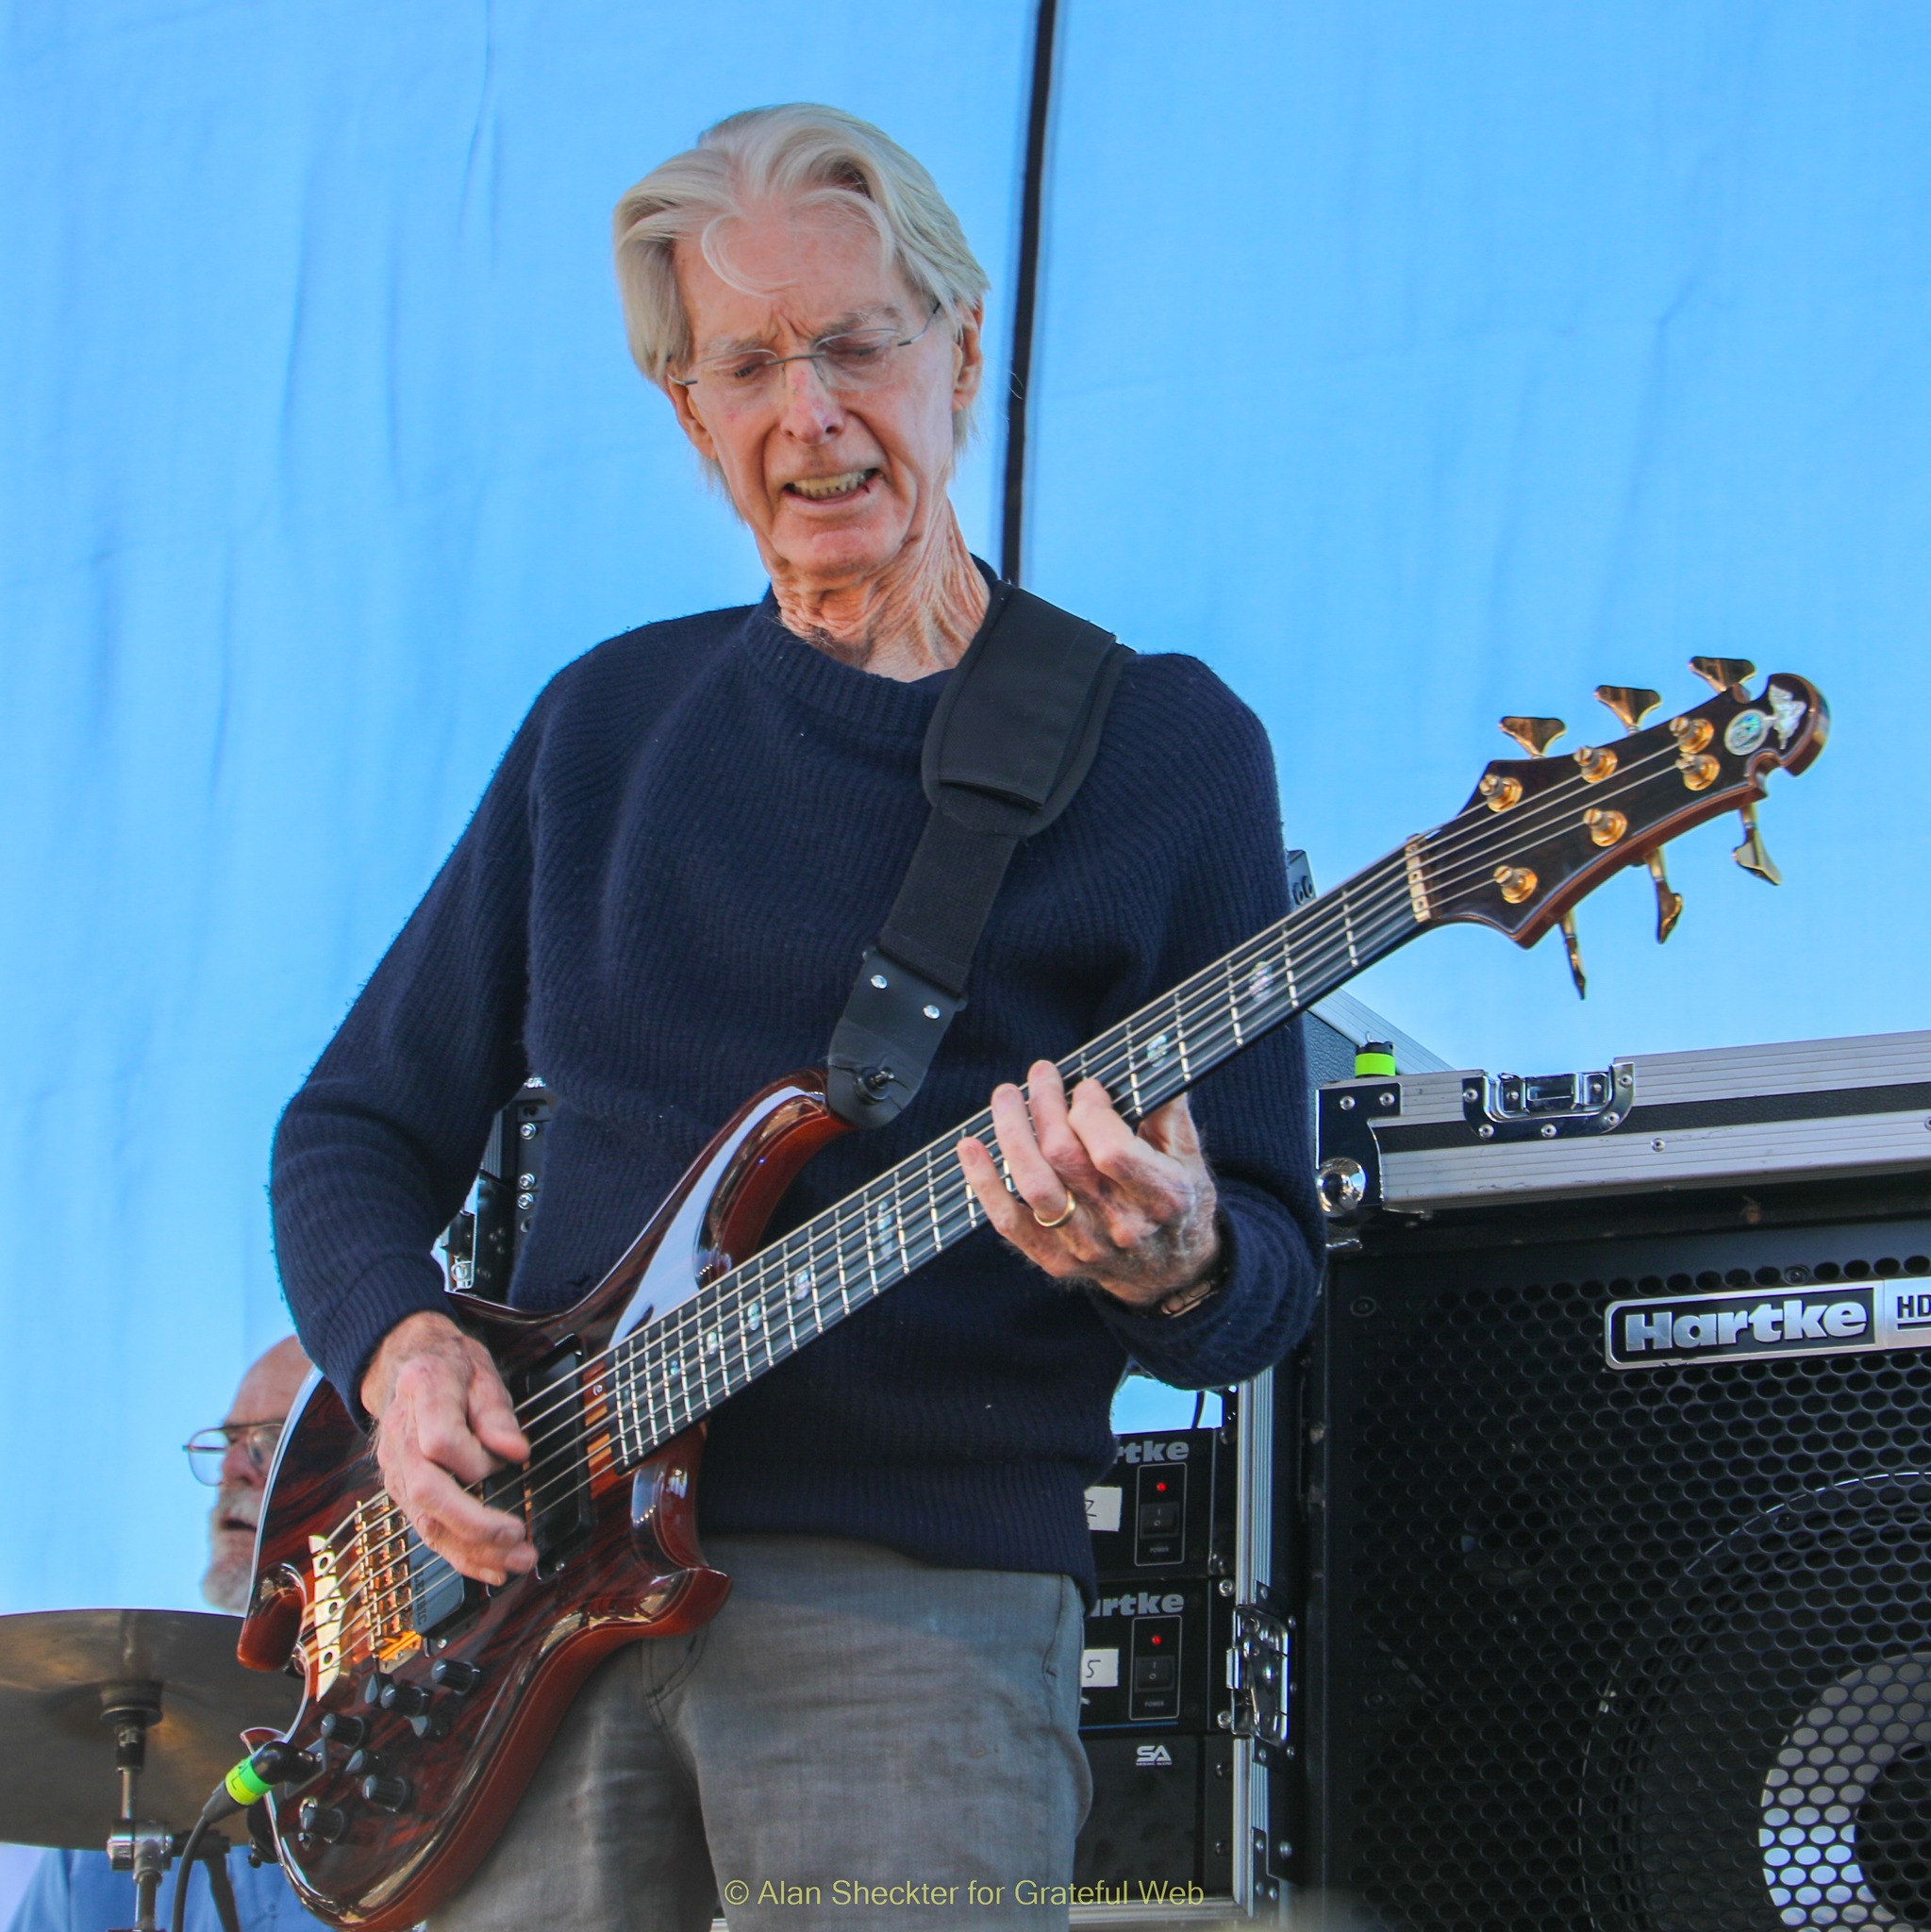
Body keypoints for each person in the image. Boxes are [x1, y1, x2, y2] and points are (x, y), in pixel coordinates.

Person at [270, 104, 1324, 1930]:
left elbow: (1273, 1275)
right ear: (690, 414)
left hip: (916, 1626)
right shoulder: (602, 733)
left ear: (960, 350)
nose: (809, 414)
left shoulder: (1164, 753)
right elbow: (350, 1129)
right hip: (524, 1649)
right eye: (748, 363)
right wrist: (400, 1351)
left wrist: (1170, 1253)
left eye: (855, 344)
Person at [8, 1338, 323, 1932]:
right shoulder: (118, 1812)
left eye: (271, 1441)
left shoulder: (432, 1742)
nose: (233, 1467)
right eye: (230, 1441)